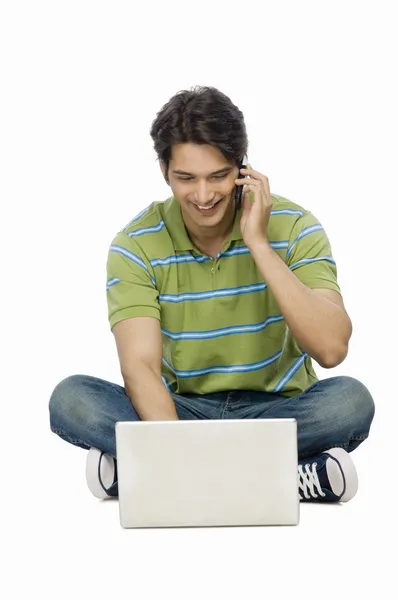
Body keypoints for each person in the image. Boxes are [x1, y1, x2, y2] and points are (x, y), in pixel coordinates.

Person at [49, 85, 375, 503]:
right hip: (180, 412)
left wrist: (258, 242)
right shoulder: (135, 244)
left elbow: (331, 349)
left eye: (218, 176)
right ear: (164, 170)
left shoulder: (295, 226)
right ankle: (284, 478)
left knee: (349, 402)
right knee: (73, 399)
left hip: (277, 412)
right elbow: (141, 368)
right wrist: (177, 440)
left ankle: (145, 475)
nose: (203, 196)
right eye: (186, 178)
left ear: (242, 168)